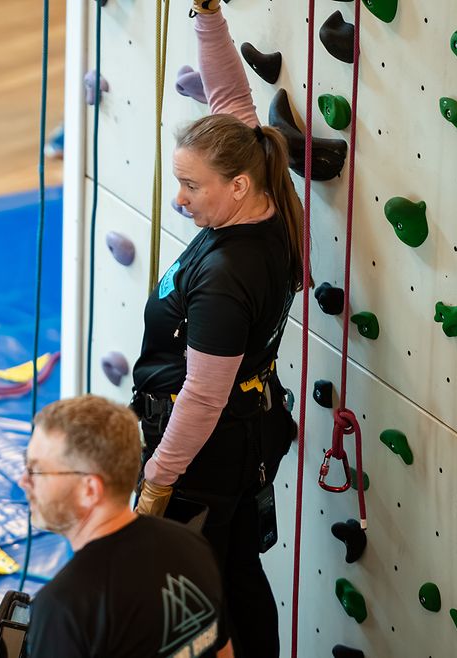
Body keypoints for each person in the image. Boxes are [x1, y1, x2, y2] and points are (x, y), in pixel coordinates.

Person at [130, 2, 301, 656]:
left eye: (189, 187)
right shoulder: (261, 191)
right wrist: (206, 15)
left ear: (234, 187)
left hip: (202, 454)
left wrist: (157, 484)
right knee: (233, 573)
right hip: (241, 437)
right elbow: (232, 98)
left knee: (189, 599)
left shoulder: (228, 278)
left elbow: (202, 396)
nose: (179, 199)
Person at [20, 395, 229, 658]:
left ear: (89, 490)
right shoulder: (192, 544)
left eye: (36, 470)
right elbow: (222, 649)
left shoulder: (65, 606)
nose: (23, 481)